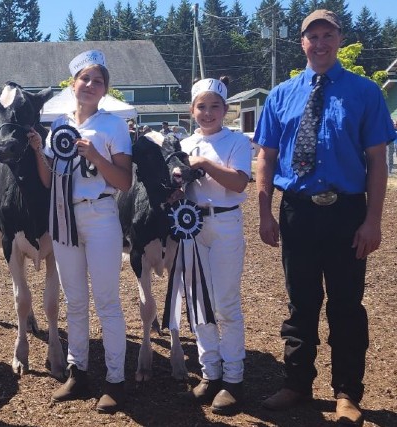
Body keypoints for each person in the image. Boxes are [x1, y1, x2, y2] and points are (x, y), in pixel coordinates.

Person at [254, 10, 396, 426]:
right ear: (302, 42)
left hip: (346, 213)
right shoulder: (281, 95)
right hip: (297, 212)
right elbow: (266, 157)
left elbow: (377, 161)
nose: (320, 43)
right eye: (312, 36)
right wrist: (265, 213)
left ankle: (347, 392)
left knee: (346, 305)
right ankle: (297, 383)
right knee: (300, 302)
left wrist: (373, 220)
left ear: (339, 39)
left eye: (327, 35)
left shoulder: (364, 92)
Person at [27, 49, 132, 414]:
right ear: (73, 84)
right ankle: (78, 371)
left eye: (97, 81)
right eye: (84, 79)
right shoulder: (59, 125)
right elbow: (49, 180)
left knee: (107, 301)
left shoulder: (113, 126)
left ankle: (116, 379)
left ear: (105, 89)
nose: (89, 85)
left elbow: (124, 182)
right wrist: (39, 151)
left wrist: (96, 157)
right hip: (63, 216)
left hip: (100, 214)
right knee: (74, 300)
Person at [166, 76, 251, 415]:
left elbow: (239, 183)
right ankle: (210, 372)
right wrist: (173, 190)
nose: (208, 112)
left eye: (215, 106)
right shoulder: (184, 144)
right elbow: (176, 189)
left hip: (225, 223)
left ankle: (233, 378)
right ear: (192, 110)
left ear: (225, 109)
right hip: (191, 226)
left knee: (225, 303)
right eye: (202, 106)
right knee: (199, 303)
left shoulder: (236, 142)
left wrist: (203, 164)